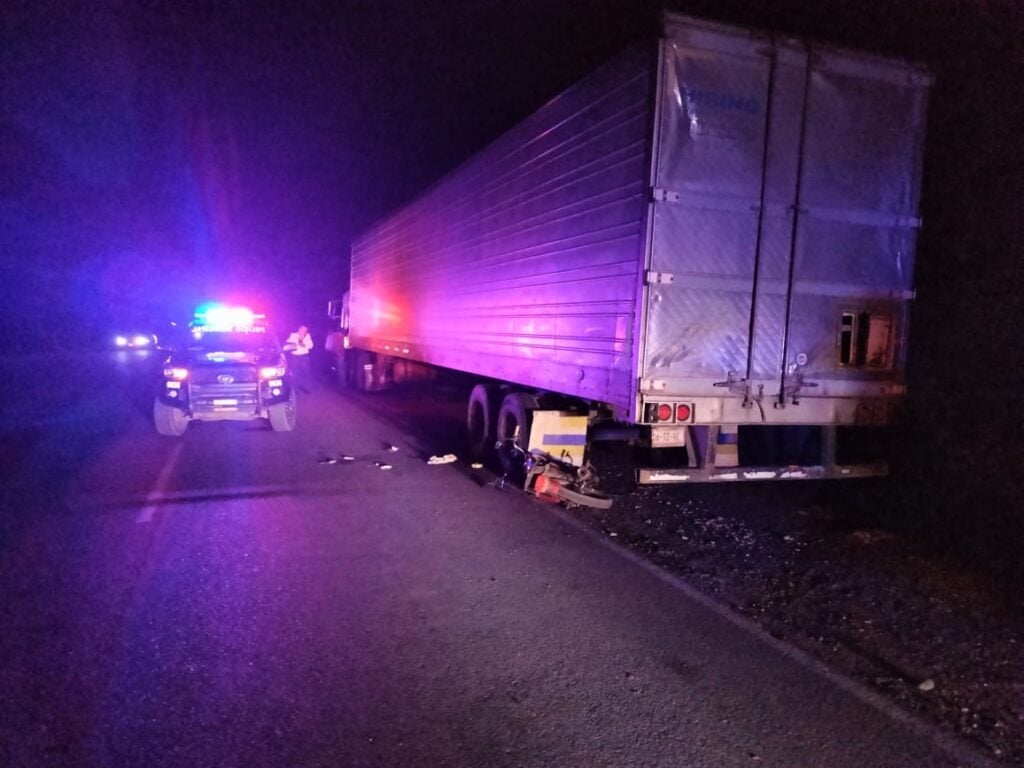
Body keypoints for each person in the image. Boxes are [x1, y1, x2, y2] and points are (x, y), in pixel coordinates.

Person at [284, 324, 314, 392]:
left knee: (306, 372)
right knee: (295, 373)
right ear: (299, 328)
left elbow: (311, 346)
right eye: (302, 329)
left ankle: (307, 387)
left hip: (304, 357)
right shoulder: (293, 335)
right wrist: (295, 343)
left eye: (305, 330)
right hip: (295, 357)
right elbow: (288, 342)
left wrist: (303, 342)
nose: (303, 331)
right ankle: (295, 389)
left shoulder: (307, 336)